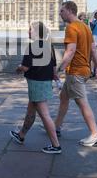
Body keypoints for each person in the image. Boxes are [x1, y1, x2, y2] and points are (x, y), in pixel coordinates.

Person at [54, 1, 97, 147]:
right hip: (85, 70)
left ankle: (95, 134)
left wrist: (59, 69)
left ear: (70, 10)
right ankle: (55, 127)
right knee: (63, 97)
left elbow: (70, 51)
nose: (60, 13)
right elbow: (93, 49)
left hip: (75, 71)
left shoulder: (71, 28)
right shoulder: (85, 27)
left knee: (82, 103)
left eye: (62, 11)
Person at [10, 22, 62, 154]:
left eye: (30, 29)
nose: (28, 32)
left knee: (44, 115)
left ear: (37, 32)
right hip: (45, 82)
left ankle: (56, 145)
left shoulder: (32, 47)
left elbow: (25, 67)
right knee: (31, 112)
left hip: (36, 83)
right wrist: (54, 77)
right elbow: (54, 67)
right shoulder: (49, 45)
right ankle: (21, 135)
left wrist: (18, 68)